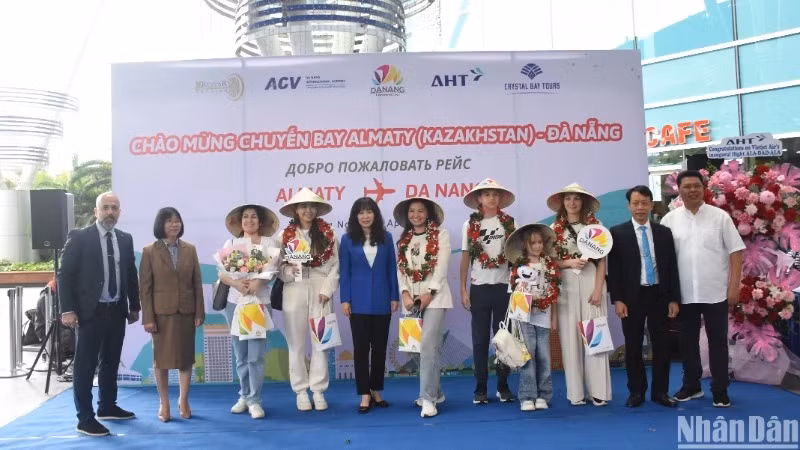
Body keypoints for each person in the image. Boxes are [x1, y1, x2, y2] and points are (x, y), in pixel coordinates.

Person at [57, 191, 140, 437]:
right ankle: (85, 418)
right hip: (88, 313)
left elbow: (129, 274)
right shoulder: (80, 237)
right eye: (105, 207)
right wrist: (68, 310)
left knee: (111, 362)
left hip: (116, 311)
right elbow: (65, 275)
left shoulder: (125, 239)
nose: (110, 212)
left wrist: (133, 306)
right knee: (85, 366)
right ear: (96, 211)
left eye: (114, 207)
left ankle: (107, 406)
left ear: (119, 212)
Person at [661, 170, 744, 408]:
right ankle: (692, 386)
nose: (692, 190)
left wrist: (734, 286)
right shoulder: (670, 220)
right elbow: (665, 261)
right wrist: (669, 295)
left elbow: (736, 251)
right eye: (686, 186)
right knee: (687, 343)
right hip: (684, 294)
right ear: (679, 190)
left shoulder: (720, 217)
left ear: (704, 188)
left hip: (715, 292)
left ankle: (720, 389)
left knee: (718, 343)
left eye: (696, 185)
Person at [607, 186, 680, 409]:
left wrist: (673, 299)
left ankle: (661, 392)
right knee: (633, 346)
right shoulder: (617, 233)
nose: (640, 207)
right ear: (629, 206)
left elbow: (671, 268)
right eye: (635, 203)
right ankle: (636, 392)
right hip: (631, 298)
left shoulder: (664, 232)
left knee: (662, 346)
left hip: (659, 295)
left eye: (644, 203)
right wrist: (617, 299)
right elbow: (615, 271)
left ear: (651, 204)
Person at [139, 207, 205, 422]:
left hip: (186, 312)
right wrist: (147, 317)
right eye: (169, 221)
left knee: (185, 360)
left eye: (177, 220)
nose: (174, 224)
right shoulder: (149, 251)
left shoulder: (190, 249)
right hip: (161, 314)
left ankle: (183, 399)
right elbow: (145, 288)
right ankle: (164, 401)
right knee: (162, 361)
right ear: (161, 225)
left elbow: (196, 283)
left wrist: (199, 311)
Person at [548, 183, 612, 406]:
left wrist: (598, 289)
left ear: (583, 202)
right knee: (570, 339)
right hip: (566, 285)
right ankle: (575, 393)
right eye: (568, 199)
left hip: (591, 281)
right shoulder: (554, 228)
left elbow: (602, 260)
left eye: (576, 199)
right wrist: (567, 262)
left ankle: (599, 392)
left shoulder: (596, 225)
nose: (572, 203)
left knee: (595, 338)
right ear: (562, 203)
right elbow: (550, 262)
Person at [277, 188, 340, 412]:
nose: (308, 210)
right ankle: (301, 391)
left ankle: (319, 391)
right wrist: (290, 270)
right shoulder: (283, 237)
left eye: (312, 206)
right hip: (294, 290)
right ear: (295, 209)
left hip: (321, 290)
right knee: (295, 343)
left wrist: (327, 289)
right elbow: (278, 268)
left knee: (321, 342)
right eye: (303, 206)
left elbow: (336, 266)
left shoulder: (329, 234)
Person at [218, 203, 280, 419]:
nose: (250, 220)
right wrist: (236, 284)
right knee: (241, 354)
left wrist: (258, 284)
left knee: (256, 355)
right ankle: (243, 396)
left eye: (254, 217)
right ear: (239, 221)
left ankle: (255, 400)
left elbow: (272, 271)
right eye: (245, 217)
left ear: (260, 222)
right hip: (235, 303)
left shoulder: (269, 243)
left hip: (259, 303)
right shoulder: (232, 243)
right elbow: (222, 274)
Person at [339, 197, 400, 414]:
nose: (365, 216)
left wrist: (395, 296)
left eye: (369, 211)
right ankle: (364, 394)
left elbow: (392, 269)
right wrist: (344, 299)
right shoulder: (347, 240)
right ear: (355, 216)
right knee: (361, 350)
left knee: (380, 349)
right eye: (361, 212)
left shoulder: (387, 237)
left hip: (383, 301)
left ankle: (376, 390)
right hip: (358, 302)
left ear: (376, 214)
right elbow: (344, 272)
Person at [393, 196, 452, 418]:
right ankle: (436, 391)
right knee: (417, 348)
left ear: (428, 213)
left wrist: (430, 293)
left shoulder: (441, 235)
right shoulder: (403, 240)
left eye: (420, 211)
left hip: (435, 298)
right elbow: (401, 271)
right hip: (411, 300)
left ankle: (427, 398)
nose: (416, 215)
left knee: (428, 344)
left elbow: (441, 267)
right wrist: (406, 294)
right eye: (411, 212)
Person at [459, 178, 516, 404]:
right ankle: (480, 389)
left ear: (500, 199)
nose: (491, 198)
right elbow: (465, 259)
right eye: (487, 194)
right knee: (480, 341)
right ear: (478, 199)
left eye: (495, 194)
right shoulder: (469, 225)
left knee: (503, 340)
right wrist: (463, 289)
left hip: (504, 288)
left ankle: (503, 386)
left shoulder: (510, 223)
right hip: (479, 289)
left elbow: (517, 256)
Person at [504, 224, 560, 411]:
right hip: (524, 318)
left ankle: (544, 394)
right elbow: (513, 294)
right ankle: (527, 395)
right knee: (528, 356)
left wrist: (553, 318)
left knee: (544, 356)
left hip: (544, 317)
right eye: (532, 243)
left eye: (539, 242)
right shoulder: (518, 267)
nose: (537, 246)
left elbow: (554, 293)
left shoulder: (549, 266)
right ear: (525, 245)